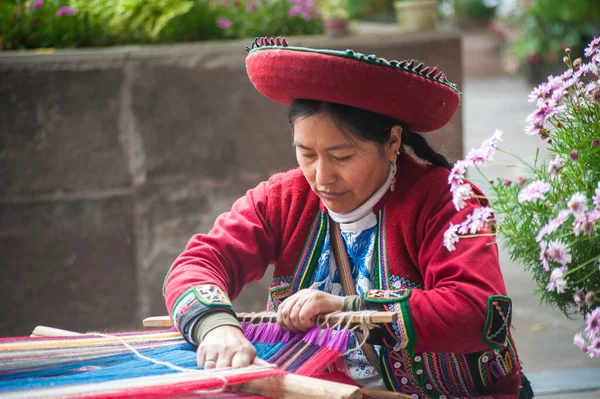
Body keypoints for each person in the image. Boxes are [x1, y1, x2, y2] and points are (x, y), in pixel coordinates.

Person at [163, 37, 533, 399]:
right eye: (306, 154)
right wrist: (216, 327)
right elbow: (200, 261)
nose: (322, 178)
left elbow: (479, 311)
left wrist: (351, 309)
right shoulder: (283, 199)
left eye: (342, 157)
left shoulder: (448, 201)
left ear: (392, 143)